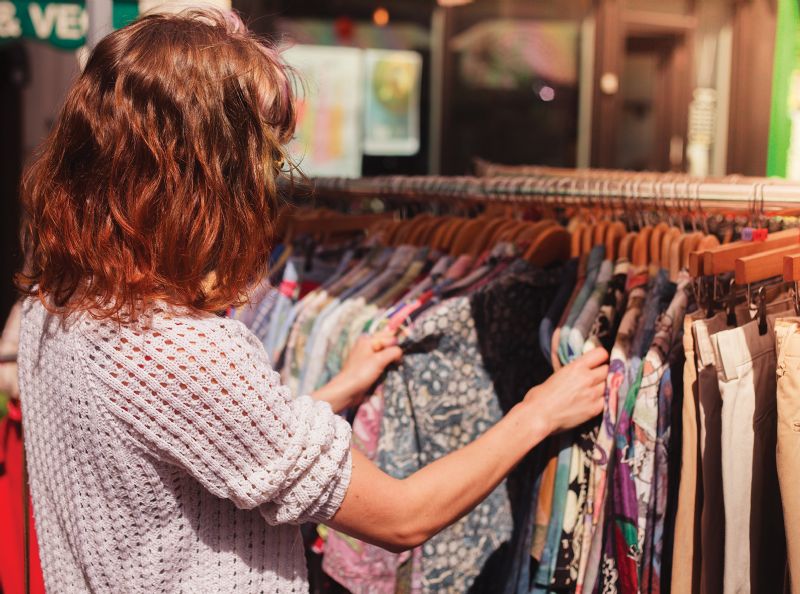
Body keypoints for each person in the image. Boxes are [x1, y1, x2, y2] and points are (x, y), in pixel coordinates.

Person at [15, 9, 609, 593]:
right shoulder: (180, 349)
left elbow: (197, 442)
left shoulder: (54, 303)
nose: (270, 179)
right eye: (263, 157)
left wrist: (337, 391)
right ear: (204, 175)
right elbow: (403, 517)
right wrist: (537, 412)